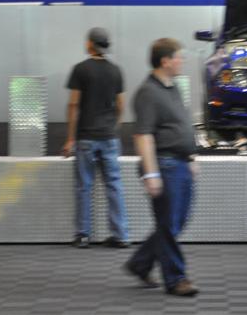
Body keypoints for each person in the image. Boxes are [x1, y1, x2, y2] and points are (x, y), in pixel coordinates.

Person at [125, 38, 200, 297]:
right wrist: (151, 173)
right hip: (164, 165)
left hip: (180, 163)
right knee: (168, 224)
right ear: (165, 61)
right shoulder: (148, 93)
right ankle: (176, 279)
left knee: (176, 222)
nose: (182, 61)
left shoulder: (173, 88)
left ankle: (140, 263)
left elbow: (181, 124)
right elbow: (143, 136)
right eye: (179, 57)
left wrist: (191, 156)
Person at [62, 27, 130, 249]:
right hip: (109, 137)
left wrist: (70, 139)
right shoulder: (116, 71)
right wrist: (115, 126)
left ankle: (83, 235)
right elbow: (121, 105)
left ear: (90, 44)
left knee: (84, 186)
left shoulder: (80, 70)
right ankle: (120, 235)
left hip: (86, 137)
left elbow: (74, 104)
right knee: (114, 185)